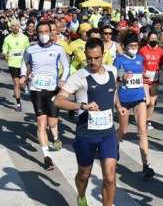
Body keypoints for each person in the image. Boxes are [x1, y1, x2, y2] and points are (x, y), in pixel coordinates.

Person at [54, 38, 122, 206]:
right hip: (86, 133)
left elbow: (113, 92)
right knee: (84, 174)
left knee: (110, 176)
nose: (93, 61)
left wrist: (119, 106)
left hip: (108, 133)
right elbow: (58, 101)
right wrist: (82, 105)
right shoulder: (79, 76)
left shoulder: (112, 71)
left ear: (103, 55)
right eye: (89, 58)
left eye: (97, 57)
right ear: (85, 55)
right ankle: (82, 196)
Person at [20, 21, 69, 170]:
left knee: (52, 123)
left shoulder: (58, 49)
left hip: (53, 89)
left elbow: (66, 67)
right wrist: (23, 75)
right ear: (36, 33)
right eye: (40, 32)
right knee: (41, 123)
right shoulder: (31, 49)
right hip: (36, 89)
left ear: (51, 32)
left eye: (45, 32)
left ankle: (55, 137)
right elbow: (24, 62)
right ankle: (47, 157)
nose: (43, 35)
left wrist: (62, 79)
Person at [114, 33, 155, 178]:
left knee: (142, 131)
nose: (134, 48)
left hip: (139, 98)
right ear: (125, 47)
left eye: (136, 46)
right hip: (124, 99)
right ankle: (115, 143)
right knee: (123, 130)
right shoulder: (119, 60)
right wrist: (122, 77)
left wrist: (147, 93)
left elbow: (142, 76)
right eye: (131, 46)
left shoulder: (140, 58)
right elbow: (115, 79)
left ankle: (146, 165)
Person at [139, 31, 163, 129]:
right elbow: (138, 62)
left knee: (152, 102)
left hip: (155, 79)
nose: (153, 40)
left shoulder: (160, 51)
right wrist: (143, 72)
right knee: (147, 101)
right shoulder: (143, 50)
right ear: (148, 39)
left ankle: (148, 120)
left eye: (155, 38)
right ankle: (142, 119)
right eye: (151, 38)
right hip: (145, 78)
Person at [2, 19, 30, 112]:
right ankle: (18, 104)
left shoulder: (25, 38)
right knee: (16, 83)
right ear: (10, 28)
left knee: (22, 84)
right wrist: (5, 55)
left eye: (16, 25)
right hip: (13, 64)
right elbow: (4, 51)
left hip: (23, 64)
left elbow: (28, 50)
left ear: (19, 26)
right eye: (13, 26)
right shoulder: (7, 38)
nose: (15, 27)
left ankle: (24, 87)